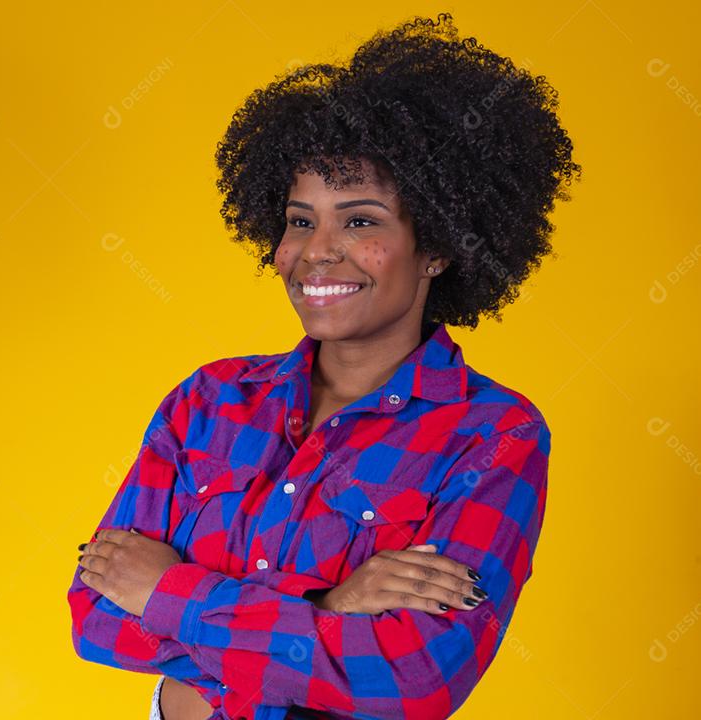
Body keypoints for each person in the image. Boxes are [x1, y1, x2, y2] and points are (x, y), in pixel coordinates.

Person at [68, 12, 580, 720]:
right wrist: (329, 607)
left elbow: (413, 679)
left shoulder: (494, 436)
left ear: (437, 247)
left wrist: (168, 594)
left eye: (361, 221)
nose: (316, 252)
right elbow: (95, 620)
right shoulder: (209, 401)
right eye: (301, 220)